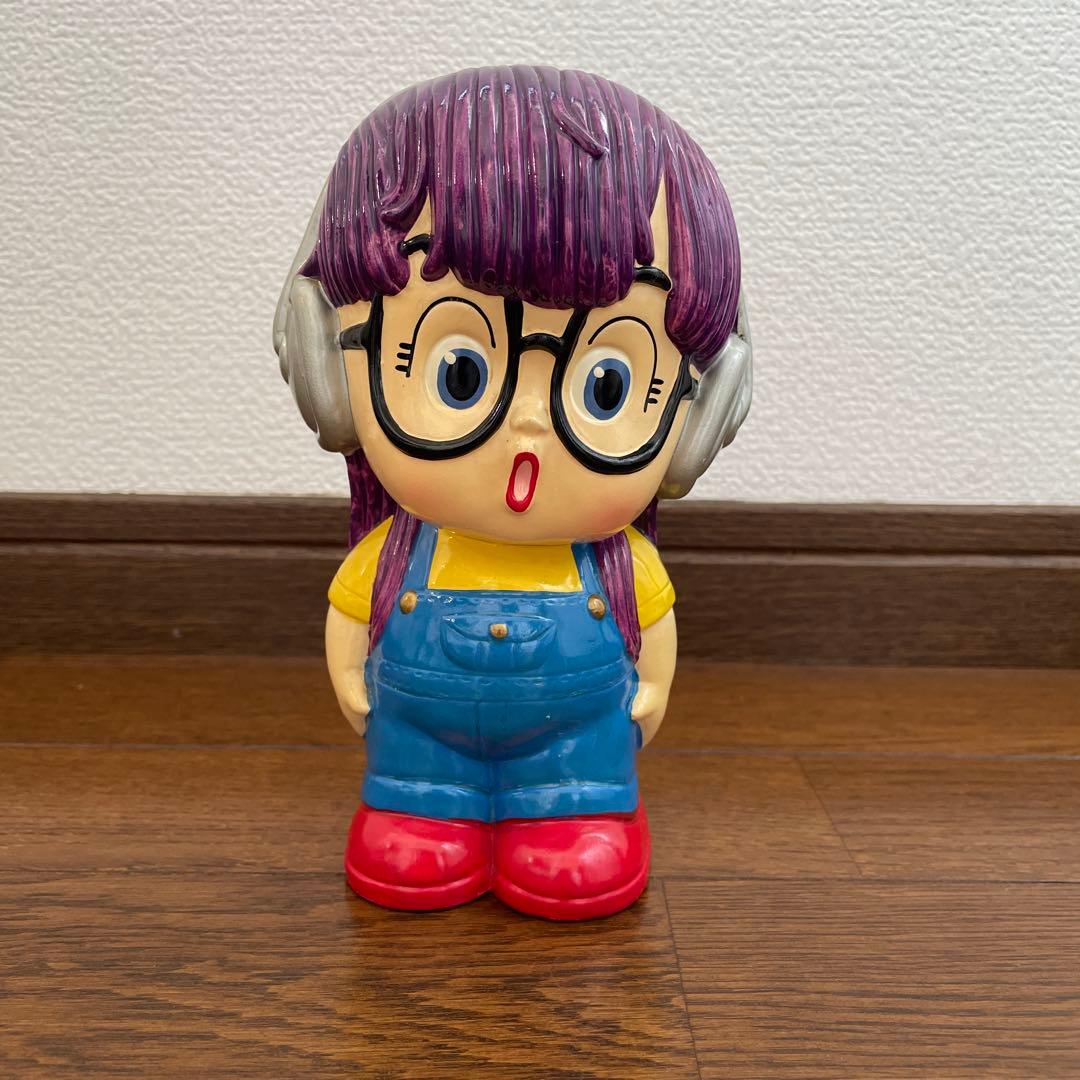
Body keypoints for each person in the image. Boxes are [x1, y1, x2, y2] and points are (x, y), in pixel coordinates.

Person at [273, 65, 751, 920]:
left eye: (606, 385)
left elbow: (655, 635)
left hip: (578, 752)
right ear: (331, 371)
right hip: (420, 745)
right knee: (414, 816)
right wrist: (349, 673)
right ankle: (423, 808)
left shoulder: (619, 565)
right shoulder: (395, 555)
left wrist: (651, 689)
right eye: (459, 372)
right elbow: (351, 618)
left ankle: (575, 815)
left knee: (575, 824)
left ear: (699, 412)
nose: (528, 430)